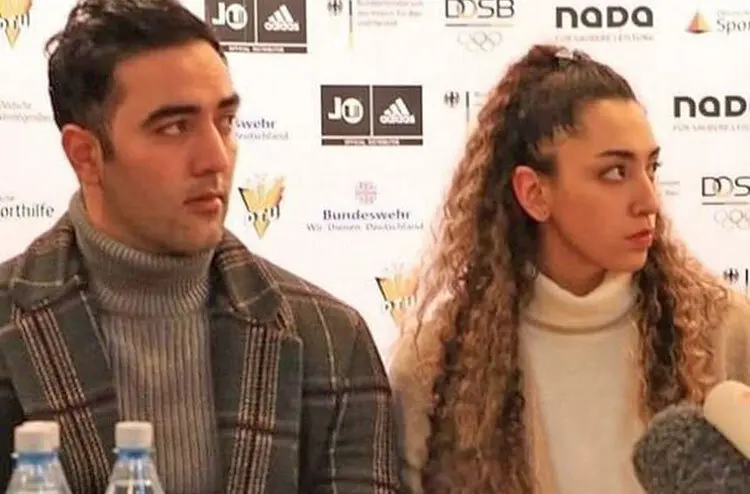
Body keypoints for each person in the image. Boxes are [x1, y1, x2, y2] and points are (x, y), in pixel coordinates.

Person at [0, 1, 400, 493]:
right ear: (85, 155)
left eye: (225, 121)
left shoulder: (331, 341)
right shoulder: (9, 320)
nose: (216, 158)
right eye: (174, 128)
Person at [388, 44, 750, 494]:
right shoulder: (435, 366)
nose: (649, 201)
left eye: (651, 168)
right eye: (614, 173)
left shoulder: (726, 333)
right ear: (534, 193)